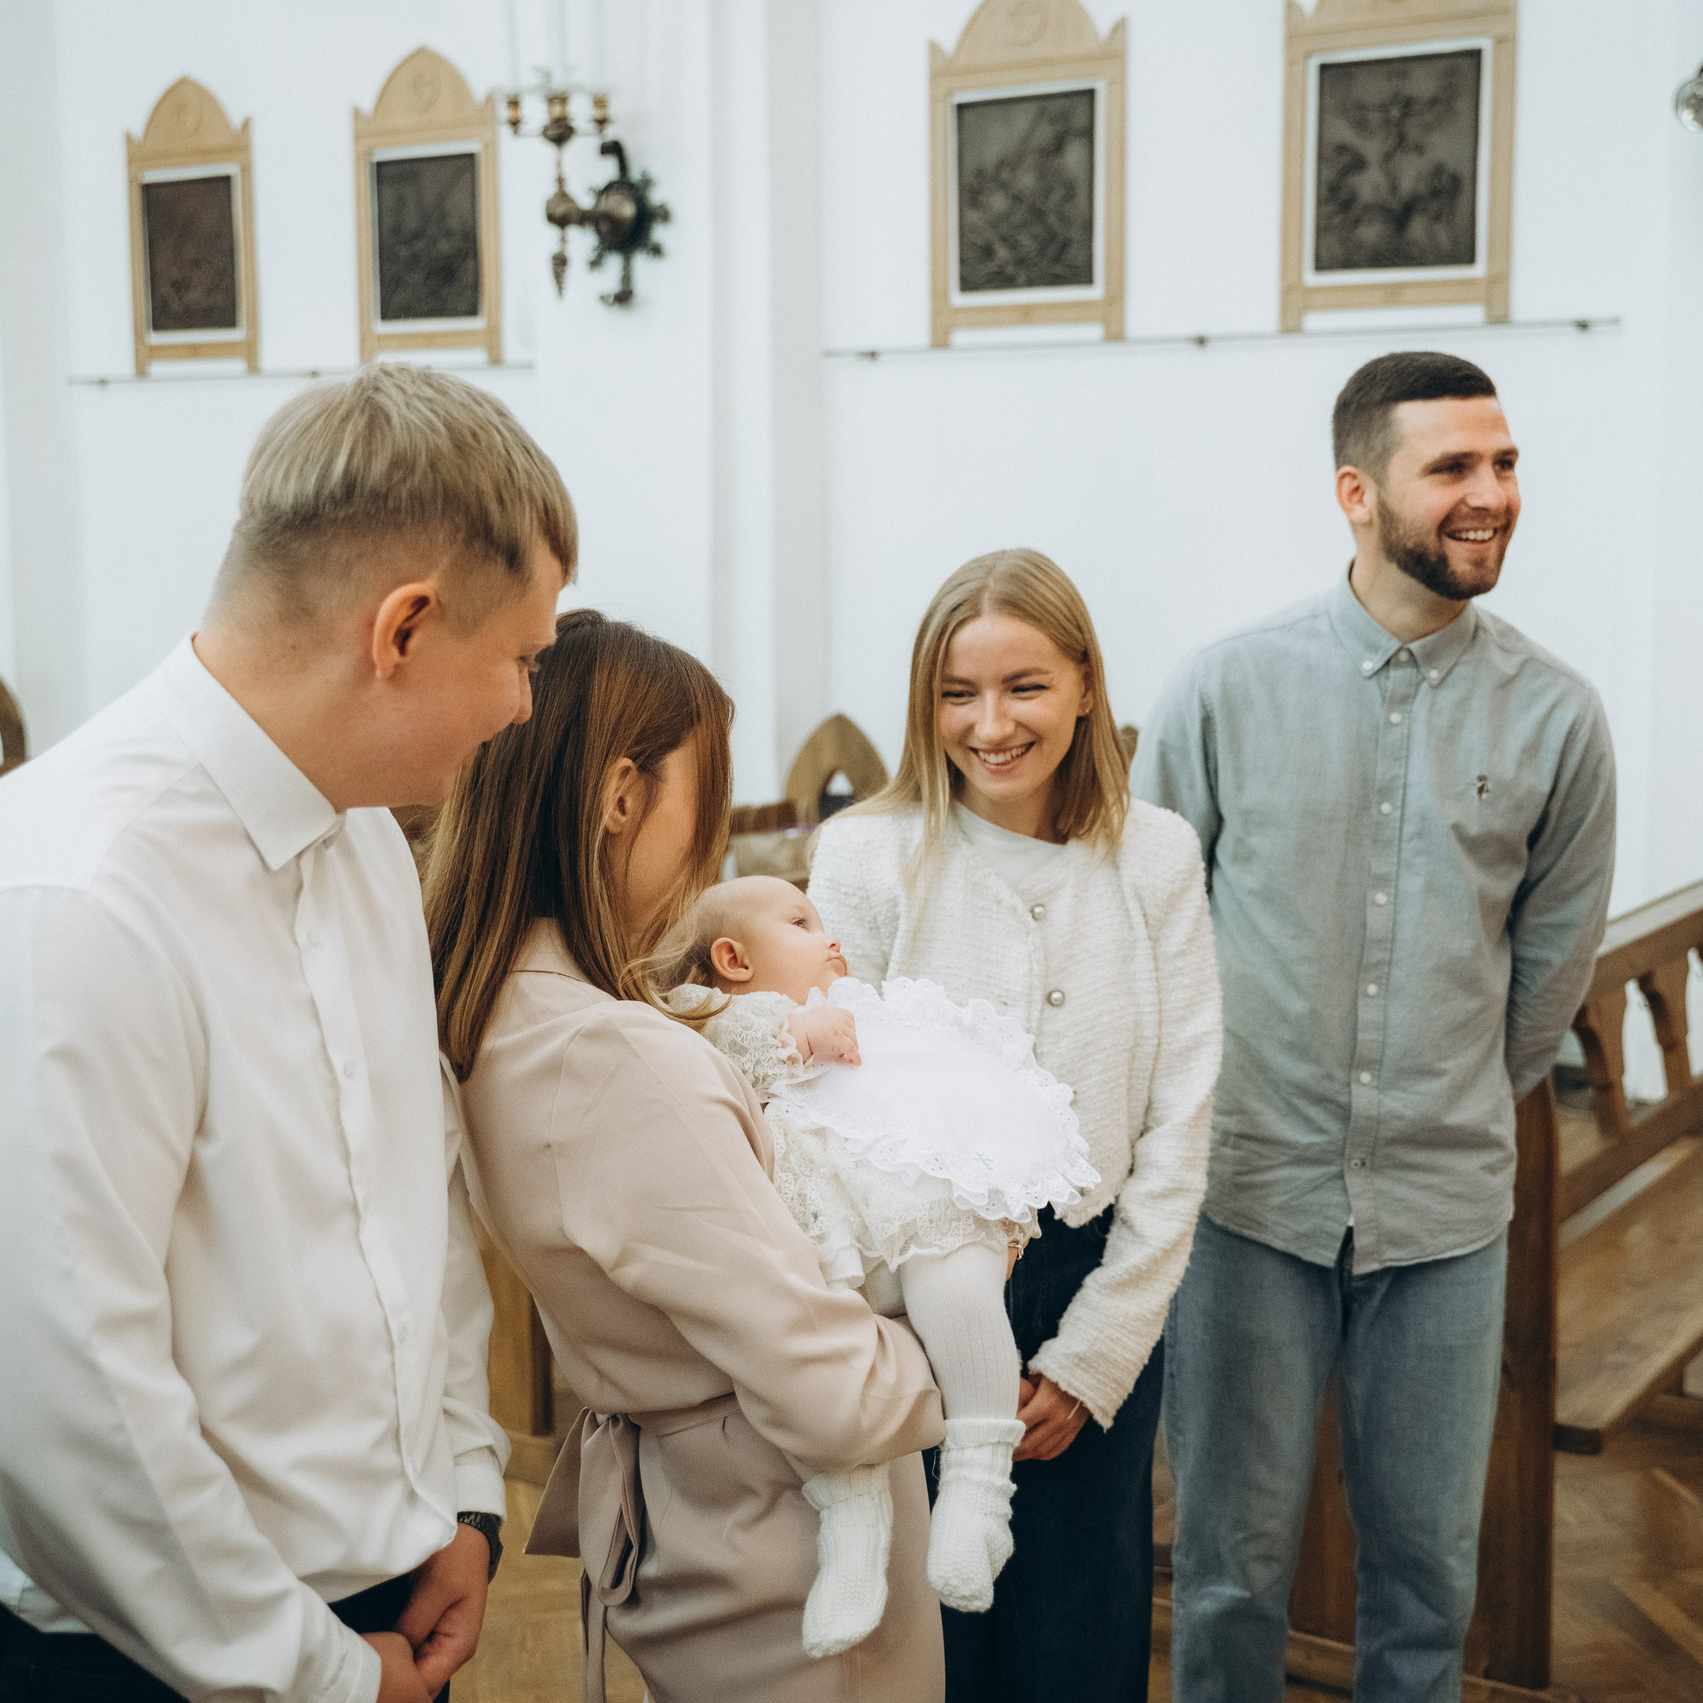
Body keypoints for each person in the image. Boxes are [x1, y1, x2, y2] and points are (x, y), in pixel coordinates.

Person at [0, 363, 575, 1702]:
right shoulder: (68, 899)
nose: (526, 706)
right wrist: (307, 1668)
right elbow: (67, 1406)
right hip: (117, 1657)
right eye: (523, 659)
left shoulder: (357, 832)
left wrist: (461, 1489)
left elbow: (409, 1202)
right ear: (401, 628)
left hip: (369, 1612)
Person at [1140, 351, 1617, 1703]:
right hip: (1248, 1197)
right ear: (1357, 491)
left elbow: (1549, 970)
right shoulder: (1226, 688)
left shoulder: (1558, 715)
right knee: (1229, 1564)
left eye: (1506, 462)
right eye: (1454, 467)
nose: (1493, 495)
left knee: (1427, 1566)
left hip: (1446, 1209)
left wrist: (1442, 1098)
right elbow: (1158, 929)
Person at [431, 611, 948, 1702]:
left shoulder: (498, 1010)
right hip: (780, 1547)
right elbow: (836, 1389)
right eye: (701, 796)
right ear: (622, 796)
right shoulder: (615, 1055)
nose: (711, 844)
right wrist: (953, 1339)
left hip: (694, 1508)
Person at [809, 549, 1221, 1703]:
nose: (989, 724)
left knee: (1080, 1632)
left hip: (1098, 1281)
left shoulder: (1155, 854)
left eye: (1024, 685)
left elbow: (1181, 1116)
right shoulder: (867, 855)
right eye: (957, 693)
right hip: (917, 1280)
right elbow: (834, 1113)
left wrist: (1094, 1356)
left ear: (1086, 685)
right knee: (937, 1639)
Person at [662, 875, 1098, 1654]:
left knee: (961, 1290)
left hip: (906, 1209)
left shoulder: (877, 1013)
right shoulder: (725, 1014)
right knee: (821, 1369)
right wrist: (798, 1036)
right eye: (800, 920)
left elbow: (946, 1096)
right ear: (731, 957)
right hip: (816, 1237)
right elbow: (703, 1039)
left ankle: (977, 1485)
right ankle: (851, 1529)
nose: (828, 935)